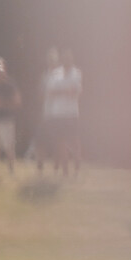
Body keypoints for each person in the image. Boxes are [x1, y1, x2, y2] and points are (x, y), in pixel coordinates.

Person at [38, 49, 83, 177]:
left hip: (72, 113)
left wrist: (60, 91)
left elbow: (75, 91)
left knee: (74, 140)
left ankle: (77, 163)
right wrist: (64, 91)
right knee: (60, 142)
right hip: (57, 113)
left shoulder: (76, 73)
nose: (67, 62)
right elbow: (49, 92)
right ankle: (65, 170)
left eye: (69, 60)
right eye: (65, 60)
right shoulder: (55, 73)